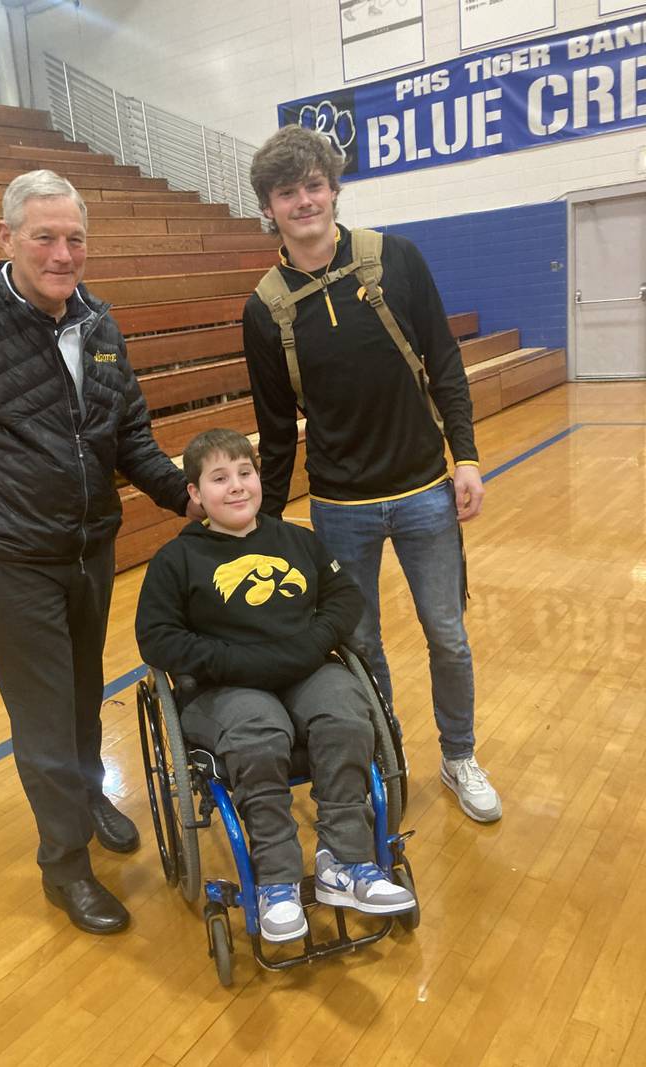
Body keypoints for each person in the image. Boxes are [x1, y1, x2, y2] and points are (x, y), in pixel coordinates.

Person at [0, 169, 203, 936]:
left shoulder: (99, 323)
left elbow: (127, 433)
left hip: (89, 546)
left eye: (74, 239)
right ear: (6, 239)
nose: (63, 254)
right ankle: (64, 866)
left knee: (81, 695)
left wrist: (181, 496)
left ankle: (89, 793)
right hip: (10, 555)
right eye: (45, 237)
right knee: (41, 717)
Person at [242, 125, 501, 823]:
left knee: (446, 633)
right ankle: (388, 751)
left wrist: (466, 456)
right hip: (339, 507)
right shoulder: (264, 309)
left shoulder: (396, 259)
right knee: (359, 643)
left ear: (333, 188)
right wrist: (260, 525)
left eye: (315, 186)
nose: (305, 202)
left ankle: (460, 753)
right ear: (270, 206)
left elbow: (444, 363)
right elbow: (273, 431)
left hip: (424, 492)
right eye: (288, 192)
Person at [135, 428, 415, 944]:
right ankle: (277, 882)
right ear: (195, 493)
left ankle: (346, 862)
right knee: (259, 733)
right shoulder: (177, 560)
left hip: (305, 669)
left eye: (246, 473)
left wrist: (311, 644)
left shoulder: (296, 540)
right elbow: (156, 639)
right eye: (219, 478)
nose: (237, 486)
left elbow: (343, 599)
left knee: (347, 714)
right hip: (225, 687)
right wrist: (235, 661)